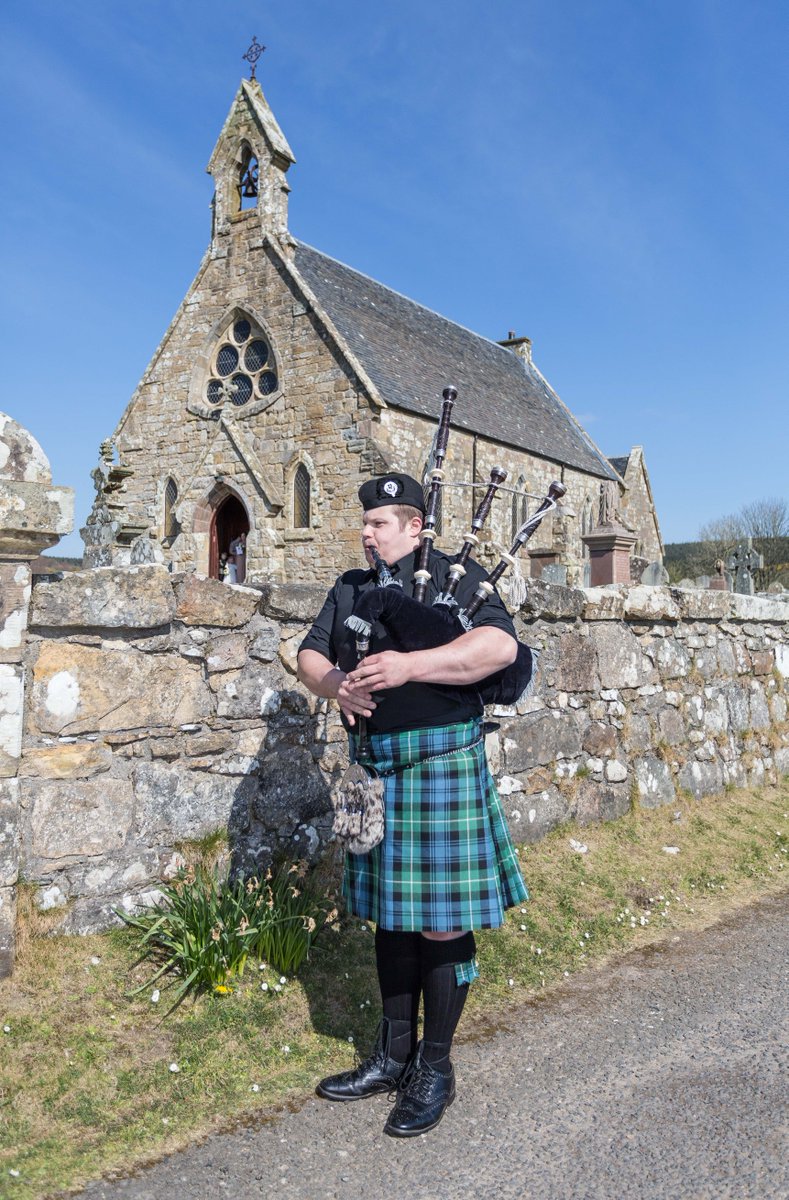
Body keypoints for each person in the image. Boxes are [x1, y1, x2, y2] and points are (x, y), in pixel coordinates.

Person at [297, 472, 528, 1137]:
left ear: (415, 527)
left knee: (439, 920)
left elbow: (496, 649)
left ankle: (435, 1066)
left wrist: (408, 667)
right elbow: (307, 653)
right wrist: (337, 684)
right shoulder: (350, 587)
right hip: (373, 765)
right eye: (364, 523)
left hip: (438, 763)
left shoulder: (460, 579)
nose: (365, 534)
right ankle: (392, 1055)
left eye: (378, 524)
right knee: (390, 918)